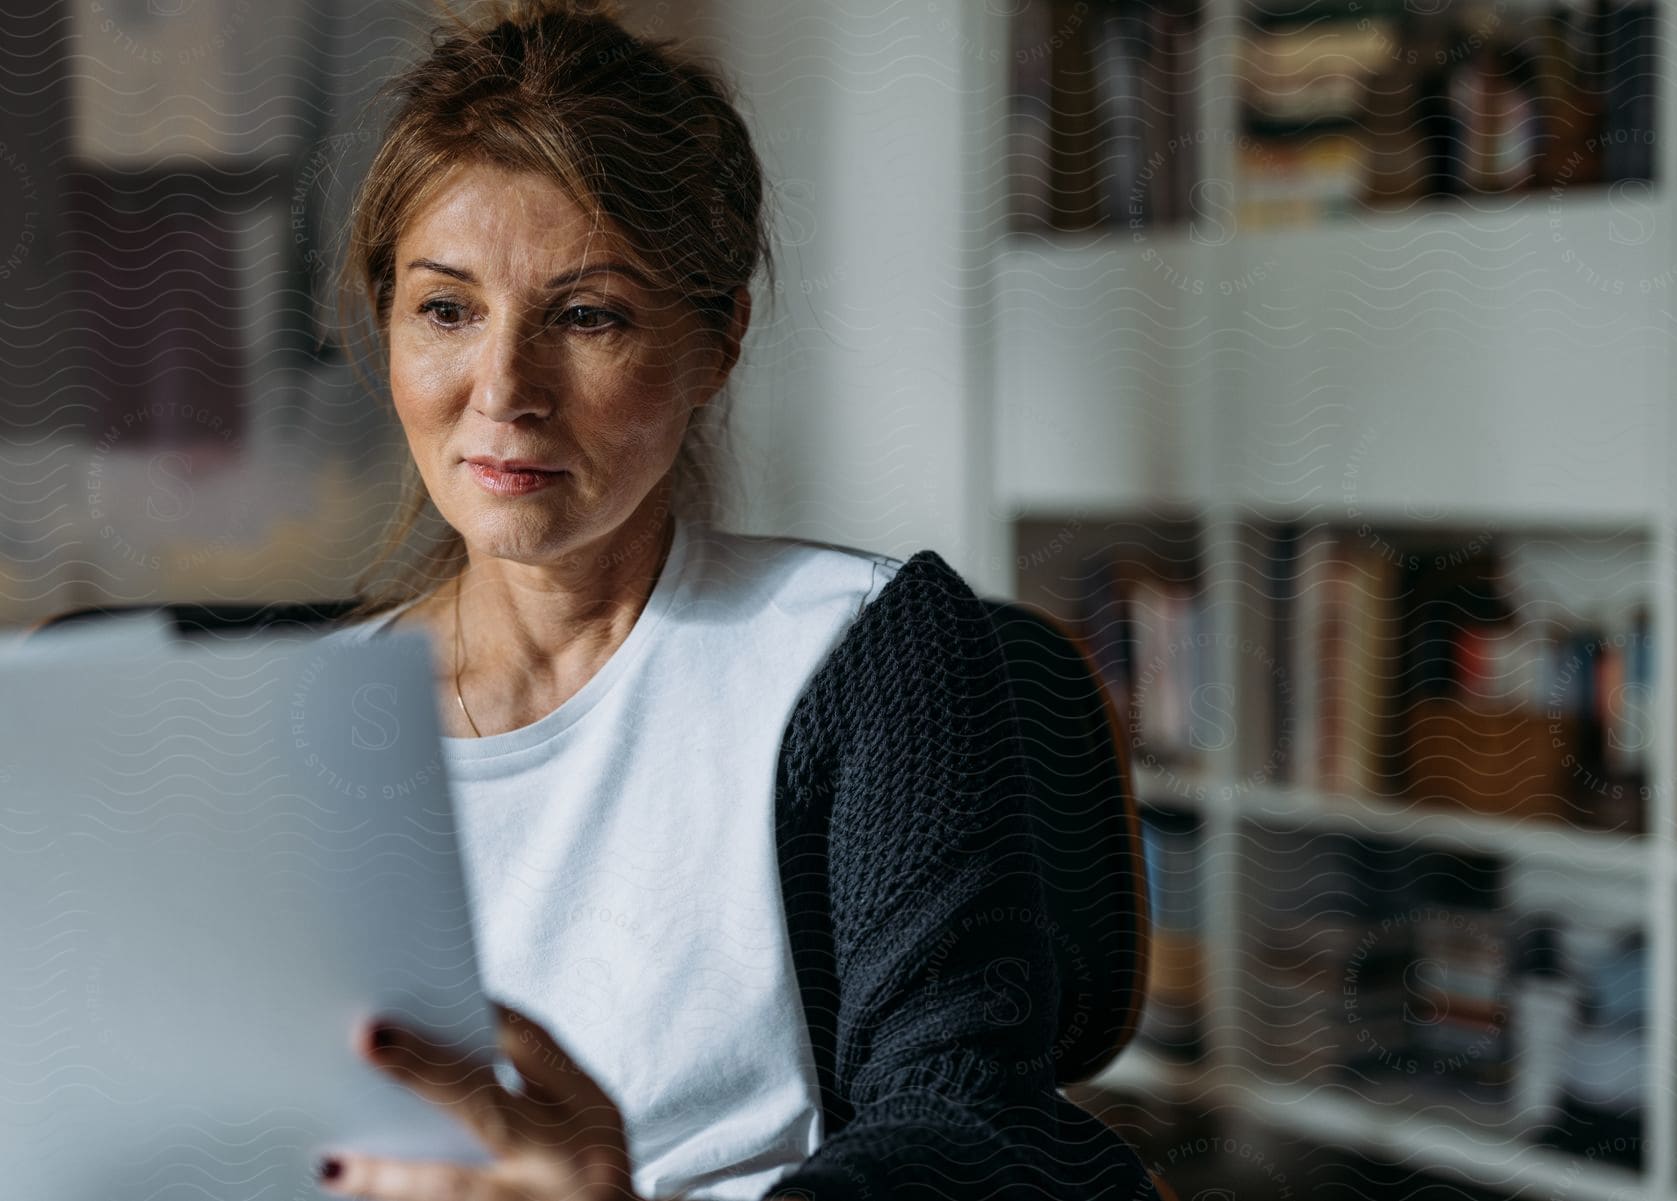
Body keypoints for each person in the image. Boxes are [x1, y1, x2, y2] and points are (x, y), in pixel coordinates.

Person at [315, 2, 1158, 1198]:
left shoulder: (862, 650)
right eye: (446, 309)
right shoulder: (303, 728)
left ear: (717, 343)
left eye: (587, 315)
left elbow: (966, 1131)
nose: (504, 389)